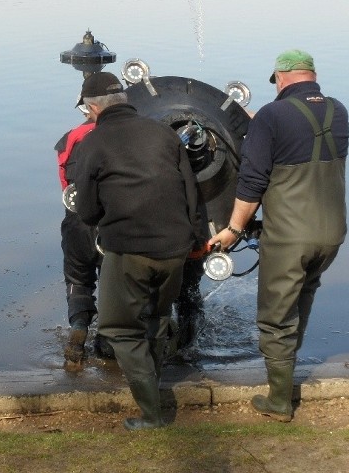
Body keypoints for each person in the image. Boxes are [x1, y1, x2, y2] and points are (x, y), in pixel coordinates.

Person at [208, 49, 349, 422]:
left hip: (290, 236)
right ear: (312, 75)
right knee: (302, 299)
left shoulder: (273, 115)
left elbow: (252, 182)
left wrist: (234, 229)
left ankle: (279, 401)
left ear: (281, 78)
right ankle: (287, 375)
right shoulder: (337, 110)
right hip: (331, 233)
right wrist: (262, 126)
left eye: (276, 83)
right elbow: (300, 140)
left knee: (275, 317)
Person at [73, 72, 204, 430]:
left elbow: (85, 211)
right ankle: (154, 389)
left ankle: (152, 414)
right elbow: (191, 191)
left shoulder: (92, 144)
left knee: (118, 329)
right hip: (176, 247)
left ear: (92, 108)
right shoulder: (163, 132)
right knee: (157, 319)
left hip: (129, 247)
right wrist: (196, 239)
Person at [53, 99, 101, 372]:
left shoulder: (67, 140)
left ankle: (79, 327)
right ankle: (108, 341)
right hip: (110, 223)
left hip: (76, 220)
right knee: (114, 282)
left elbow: (65, 184)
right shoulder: (120, 136)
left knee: (78, 279)